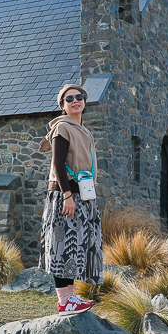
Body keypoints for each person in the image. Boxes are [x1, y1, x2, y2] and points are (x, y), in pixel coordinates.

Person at [41, 83, 103, 314]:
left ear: (84, 101)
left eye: (79, 97)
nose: (75, 101)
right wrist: (67, 195)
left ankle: (70, 298)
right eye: (69, 99)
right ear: (63, 105)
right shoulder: (62, 128)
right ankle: (64, 301)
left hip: (82, 194)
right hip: (65, 194)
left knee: (74, 246)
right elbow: (57, 164)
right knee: (62, 246)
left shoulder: (83, 130)